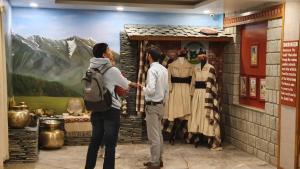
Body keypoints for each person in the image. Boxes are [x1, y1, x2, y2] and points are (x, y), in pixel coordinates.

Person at [85, 43, 138, 169]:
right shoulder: (112, 70)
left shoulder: (89, 69)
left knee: (94, 143)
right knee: (110, 145)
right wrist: (130, 83)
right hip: (111, 110)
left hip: (96, 108)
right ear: (104, 54)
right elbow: (125, 85)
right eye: (108, 50)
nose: (111, 52)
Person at [140, 48, 168, 169]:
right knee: (159, 134)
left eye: (147, 55)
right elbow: (166, 89)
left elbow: (150, 90)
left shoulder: (152, 70)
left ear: (150, 56)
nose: (146, 57)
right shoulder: (164, 69)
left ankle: (155, 162)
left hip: (152, 105)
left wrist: (143, 88)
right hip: (161, 105)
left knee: (153, 136)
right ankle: (159, 159)